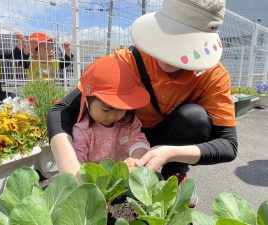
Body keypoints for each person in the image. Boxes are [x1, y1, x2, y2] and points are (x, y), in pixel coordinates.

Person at [47, 0, 237, 183]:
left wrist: (170, 152)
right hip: (128, 132)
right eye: (168, 39)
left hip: (163, 139)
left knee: (194, 117)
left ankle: (174, 175)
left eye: (183, 45)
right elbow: (61, 111)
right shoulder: (126, 63)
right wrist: (72, 174)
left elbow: (228, 144)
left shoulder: (212, 75)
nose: (170, 55)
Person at [72, 56, 150, 170]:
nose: (113, 115)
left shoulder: (129, 123)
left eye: (120, 109)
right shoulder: (83, 131)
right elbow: (77, 161)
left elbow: (138, 141)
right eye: (105, 110)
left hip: (122, 178)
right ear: (87, 102)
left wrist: (136, 158)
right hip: (95, 182)